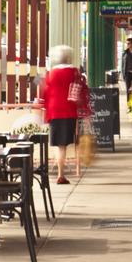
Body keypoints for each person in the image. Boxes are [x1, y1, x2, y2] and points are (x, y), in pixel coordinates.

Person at [42, 45, 85, 185]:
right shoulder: (74, 72)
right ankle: (61, 174)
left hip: (54, 111)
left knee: (59, 145)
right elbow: (80, 89)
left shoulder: (51, 73)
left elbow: (43, 90)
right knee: (63, 146)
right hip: (68, 110)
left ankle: (60, 172)